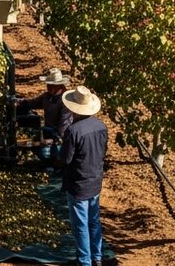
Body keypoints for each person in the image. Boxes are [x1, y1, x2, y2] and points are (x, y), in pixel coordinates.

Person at [58, 85, 107, 266]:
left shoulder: (73, 131)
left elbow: (66, 159)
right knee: (94, 220)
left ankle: (84, 260)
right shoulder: (101, 127)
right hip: (95, 180)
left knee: (80, 224)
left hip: (78, 183)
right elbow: (103, 152)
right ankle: (97, 257)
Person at [17, 67, 74, 160]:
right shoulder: (46, 97)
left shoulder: (66, 101)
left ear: (59, 86)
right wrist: (20, 102)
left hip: (60, 136)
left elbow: (64, 126)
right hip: (48, 131)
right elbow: (32, 103)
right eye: (48, 85)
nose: (48, 87)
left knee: (48, 153)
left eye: (51, 85)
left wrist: (55, 140)